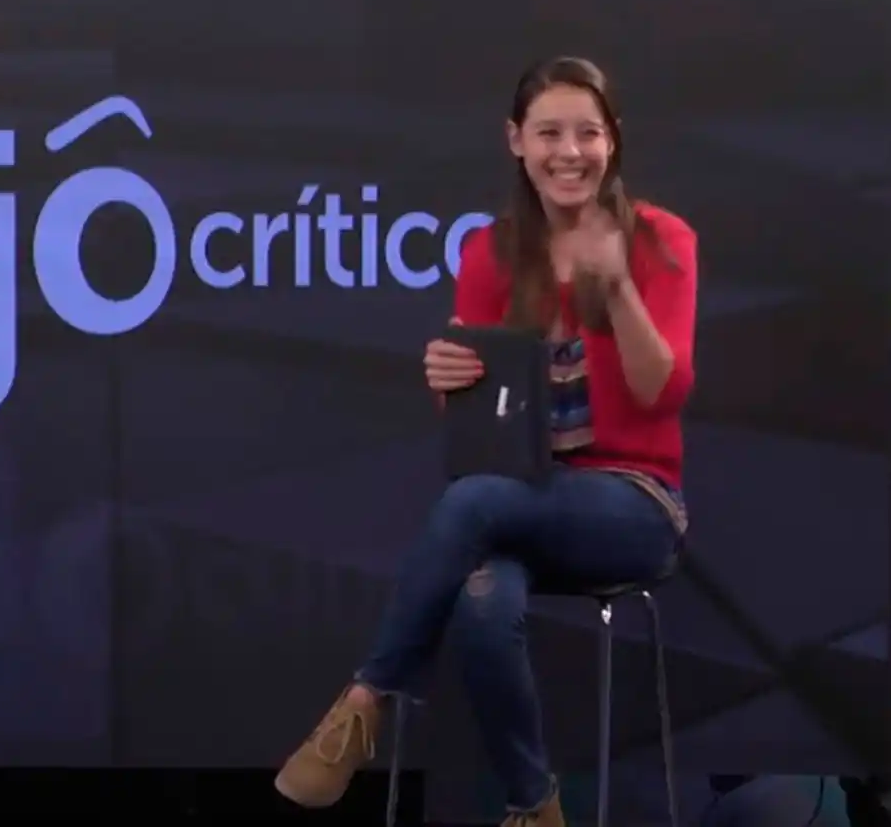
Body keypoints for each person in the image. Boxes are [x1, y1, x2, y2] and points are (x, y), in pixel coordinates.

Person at [273, 56, 698, 827]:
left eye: (587, 133)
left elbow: (662, 393)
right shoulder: (490, 252)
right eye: (549, 133)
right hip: (520, 500)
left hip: (634, 506)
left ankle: (368, 695)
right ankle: (535, 805)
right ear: (515, 141)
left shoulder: (663, 240)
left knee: (472, 504)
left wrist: (618, 288)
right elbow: (480, 430)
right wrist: (449, 380)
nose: (569, 152)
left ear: (613, 141)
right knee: (480, 600)